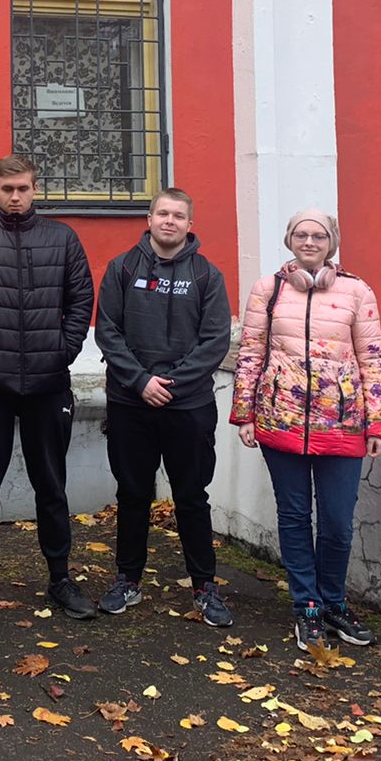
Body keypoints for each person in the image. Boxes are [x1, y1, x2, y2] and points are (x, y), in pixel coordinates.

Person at [0, 154, 96, 619]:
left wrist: (63, 351)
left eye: (23, 188)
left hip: (48, 382)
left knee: (52, 484)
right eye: (7, 189)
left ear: (34, 189)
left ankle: (60, 578)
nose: (15, 196)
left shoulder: (62, 239)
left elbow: (80, 299)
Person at [229, 208, 381, 652]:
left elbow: (372, 358)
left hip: (343, 423)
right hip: (280, 420)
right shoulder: (268, 290)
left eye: (319, 235)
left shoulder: (357, 291)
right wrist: (244, 413)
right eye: (301, 234)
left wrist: (376, 421)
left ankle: (334, 601)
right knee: (295, 517)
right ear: (289, 240)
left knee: (337, 522)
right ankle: (308, 607)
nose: (310, 242)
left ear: (331, 242)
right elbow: (250, 353)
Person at [93, 187, 233, 625]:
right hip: (130, 403)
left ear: (190, 225)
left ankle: (204, 586)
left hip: (188, 406)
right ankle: (127, 580)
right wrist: (141, 382)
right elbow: (107, 332)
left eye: (178, 216)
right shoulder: (122, 268)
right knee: (132, 495)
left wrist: (171, 384)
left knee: (191, 497)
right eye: (162, 214)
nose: (169, 221)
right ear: (149, 219)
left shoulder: (207, 275)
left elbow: (215, 341)